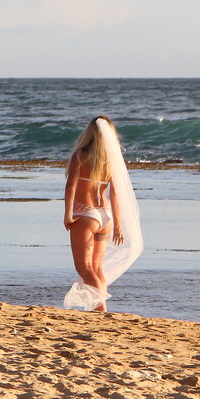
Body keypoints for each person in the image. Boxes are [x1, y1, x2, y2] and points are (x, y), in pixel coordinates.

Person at [63, 115, 142, 312]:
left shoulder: (80, 155)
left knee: (84, 269)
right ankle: (97, 309)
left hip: (85, 215)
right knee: (96, 268)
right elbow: (115, 195)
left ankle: (101, 309)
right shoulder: (111, 159)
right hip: (104, 217)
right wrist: (116, 224)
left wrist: (67, 214)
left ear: (89, 133)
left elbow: (70, 186)